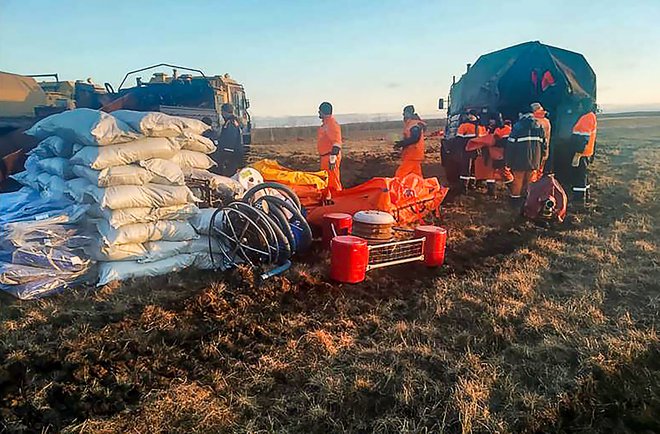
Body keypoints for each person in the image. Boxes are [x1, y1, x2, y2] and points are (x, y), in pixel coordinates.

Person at [505, 111, 547, 208]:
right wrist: (541, 158)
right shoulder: (539, 127)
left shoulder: (517, 127)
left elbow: (511, 146)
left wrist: (509, 161)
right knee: (531, 182)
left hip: (519, 160)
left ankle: (515, 203)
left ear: (521, 115)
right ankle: (528, 202)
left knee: (517, 181)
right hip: (534, 161)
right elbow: (544, 145)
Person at [567, 100, 597, 204]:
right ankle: (586, 195)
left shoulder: (586, 118)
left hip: (581, 153)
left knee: (578, 176)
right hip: (586, 153)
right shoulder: (590, 116)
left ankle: (578, 200)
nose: (579, 107)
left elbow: (583, 138)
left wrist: (577, 154)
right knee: (583, 175)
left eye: (580, 105)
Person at [210, 103, 244, 177]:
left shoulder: (230, 123)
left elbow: (230, 140)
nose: (221, 114)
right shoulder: (234, 121)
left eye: (222, 112)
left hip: (230, 154)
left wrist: (225, 154)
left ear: (224, 112)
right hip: (235, 153)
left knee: (228, 174)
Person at [317, 101, 343, 194]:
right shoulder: (326, 125)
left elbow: (337, 142)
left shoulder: (332, 124)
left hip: (330, 158)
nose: (318, 113)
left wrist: (332, 158)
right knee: (327, 182)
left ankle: (338, 200)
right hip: (325, 158)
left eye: (319, 111)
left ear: (323, 112)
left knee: (333, 182)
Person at [394, 105, 426, 178]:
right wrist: (400, 143)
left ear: (409, 113)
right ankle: (421, 188)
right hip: (414, 154)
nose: (403, 114)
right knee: (417, 176)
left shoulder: (414, 124)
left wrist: (401, 143)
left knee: (400, 175)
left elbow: (415, 138)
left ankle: (397, 188)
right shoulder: (412, 124)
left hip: (412, 154)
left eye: (404, 112)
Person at [531, 102, 551, 174]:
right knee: (539, 171)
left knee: (533, 173)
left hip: (535, 152)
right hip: (544, 150)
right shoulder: (546, 121)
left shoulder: (534, 122)